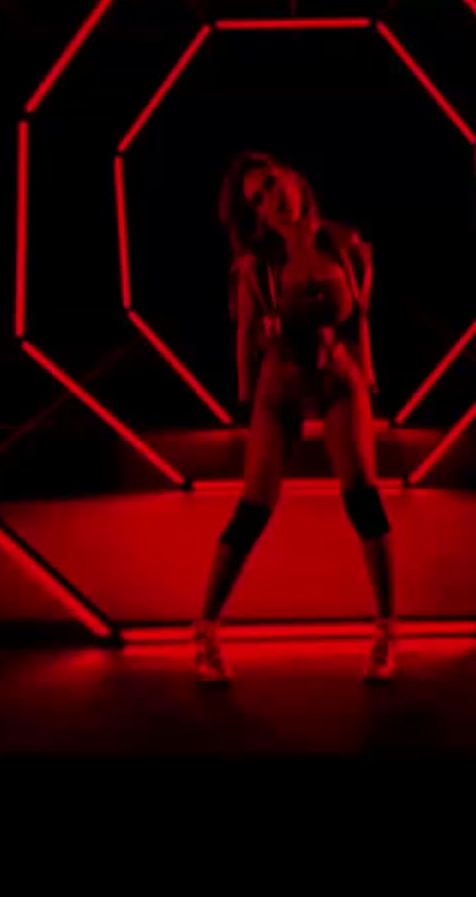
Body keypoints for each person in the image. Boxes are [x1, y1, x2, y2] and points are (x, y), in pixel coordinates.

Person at [193, 151, 397, 684]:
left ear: (292, 179)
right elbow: (245, 336)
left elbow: (359, 317)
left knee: (363, 497)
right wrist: (244, 403)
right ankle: (205, 631)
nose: (268, 199)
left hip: (338, 381)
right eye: (256, 200)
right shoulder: (256, 265)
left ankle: (386, 632)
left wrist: (368, 377)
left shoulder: (346, 245)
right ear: (256, 215)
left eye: (269, 184)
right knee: (253, 507)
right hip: (278, 389)